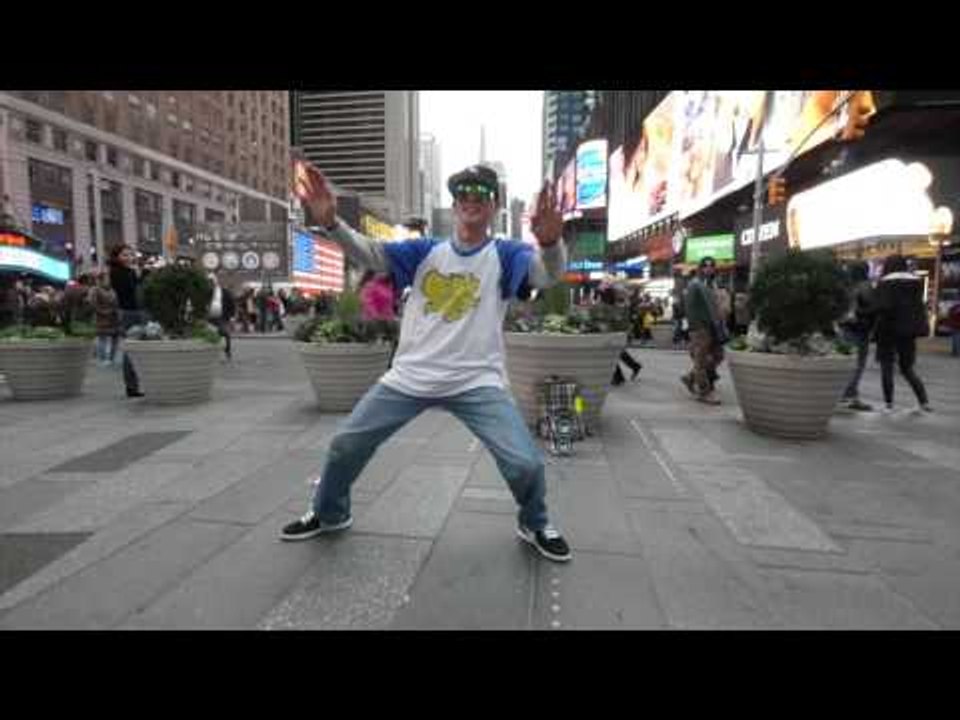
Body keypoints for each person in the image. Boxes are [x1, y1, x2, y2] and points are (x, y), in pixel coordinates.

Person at [280, 162, 573, 563]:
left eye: (482, 194)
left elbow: (545, 276)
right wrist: (331, 223)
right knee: (345, 444)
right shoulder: (424, 251)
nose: (472, 199)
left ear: (494, 206)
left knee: (526, 465)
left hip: (477, 382)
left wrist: (553, 243)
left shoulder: (506, 254)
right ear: (454, 205)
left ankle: (534, 521)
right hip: (410, 377)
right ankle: (330, 513)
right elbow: (371, 252)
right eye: (464, 193)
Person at [873, 254, 931, 413]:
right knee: (907, 368)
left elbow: (881, 307)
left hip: (887, 330)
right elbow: (919, 307)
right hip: (908, 331)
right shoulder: (916, 282)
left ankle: (888, 404)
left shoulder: (884, 284)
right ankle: (924, 401)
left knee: (886, 367)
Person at [681, 256, 727, 405]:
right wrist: (696, 327)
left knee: (718, 355)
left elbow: (717, 306)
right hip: (700, 328)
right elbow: (688, 308)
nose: (709, 268)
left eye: (711, 266)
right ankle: (704, 391)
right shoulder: (695, 284)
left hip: (713, 326)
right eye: (705, 266)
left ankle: (690, 377)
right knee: (700, 360)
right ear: (700, 268)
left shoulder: (711, 284)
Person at [838, 261, 876, 411]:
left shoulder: (845, 286)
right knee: (857, 364)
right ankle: (849, 396)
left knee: (847, 362)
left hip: (845, 327)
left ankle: (846, 394)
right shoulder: (865, 286)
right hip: (859, 329)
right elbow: (871, 306)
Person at [108, 244, 145, 398]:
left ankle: (133, 385)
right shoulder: (118, 272)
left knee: (133, 348)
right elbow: (131, 290)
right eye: (125, 255)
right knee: (131, 349)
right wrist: (137, 275)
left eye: (131, 255)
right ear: (117, 257)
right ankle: (131, 386)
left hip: (134, 311)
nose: (129, 258)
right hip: (129, 313)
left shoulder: (128, 271)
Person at [599, 281, 642, 385]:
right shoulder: (615, 303)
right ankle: (632, 367)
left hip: (617, 332)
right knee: (618, 353)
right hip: (616, 331)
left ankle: (619, 376)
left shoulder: (619, 304)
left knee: (611, 354)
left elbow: (619, 318)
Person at [89, 269, 120, 366]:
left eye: (109, 278)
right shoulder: (95, 290)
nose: (109, 280)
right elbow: (93, 304)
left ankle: (111, 358)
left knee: (115, 338)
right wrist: (102, 312)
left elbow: (117, 302)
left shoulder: (112, 290)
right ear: (101, 279)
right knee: (102, 338)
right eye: (107, 278)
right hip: (102, 317)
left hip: (114, 317)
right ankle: (102, 359)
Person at [208, 273, 235, 361]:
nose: (210, 284)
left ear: (216, 282)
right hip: (210, 317)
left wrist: (232, 316)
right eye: (209, 282)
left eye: (212, 282)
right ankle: (213, 352)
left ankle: (227, 351)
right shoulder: (207, 292)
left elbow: (231, 304)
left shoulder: (225, 292)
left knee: (225, 333)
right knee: (211, 335)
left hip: (222, 316)